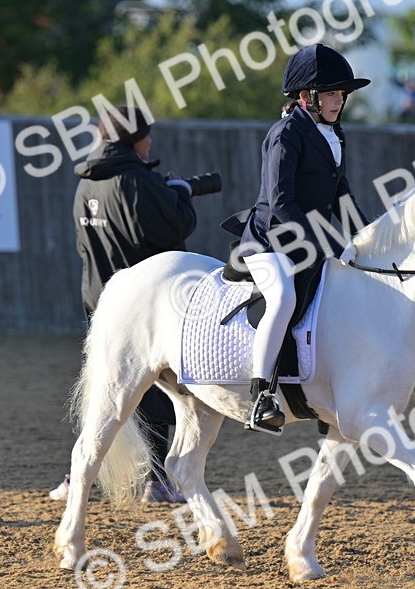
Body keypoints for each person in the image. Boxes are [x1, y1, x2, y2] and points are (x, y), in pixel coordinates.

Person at [221, 44, 372, 435]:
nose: (339, 101)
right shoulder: (285, 134)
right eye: (331, 94)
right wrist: (329, 244)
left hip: (310, 240)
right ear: (307, 96)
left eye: (341, 94)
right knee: (285, 298)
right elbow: (281, 202)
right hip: (270, 240)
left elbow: (342, 196)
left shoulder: (334, 133)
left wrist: (368, 235)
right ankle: (261, 395)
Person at [51, 106, 197, 503]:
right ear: (136, 139)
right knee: (155, 388)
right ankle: (156, 480)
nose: (151, 142)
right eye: (147, 135)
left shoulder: (85, 184)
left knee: (105, 388)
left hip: (98, 296)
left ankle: (82, 476)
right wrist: (181, 196)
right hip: (140, 307)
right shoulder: (136, 181)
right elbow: (169, 235)